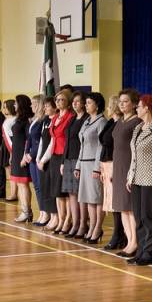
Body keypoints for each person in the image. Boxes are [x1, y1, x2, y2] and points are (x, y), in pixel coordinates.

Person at [125, 94, 152, 265]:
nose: (136, 108)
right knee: (139, 218)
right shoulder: (138, 128)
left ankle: (149, 254)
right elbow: (134, 155)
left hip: (150, 180)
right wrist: (130, 176)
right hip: (137, 178)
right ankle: (140, 251)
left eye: (139, 106)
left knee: (148, 218)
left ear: (147, 108)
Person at [112, 88, 142, 257]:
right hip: (118, 167)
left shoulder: (137, 122)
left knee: (130, 207)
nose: (122, 104)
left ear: (134, 104)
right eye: (120, 101)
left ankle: (135, 242)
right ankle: (129, 241)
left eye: (125, 101)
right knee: (122, 208)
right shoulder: (120, 121)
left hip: (129, 167)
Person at [76, 92, 106, 243]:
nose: (86, 105)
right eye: (86, 103)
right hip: (84, 163)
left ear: (97, 105)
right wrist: (78, 165)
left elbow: (101, 146)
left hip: (94, 164)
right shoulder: (87, 121)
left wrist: (97, 167)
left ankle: (97, 228)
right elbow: (82, 145)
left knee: (96, 198)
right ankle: (92, 227)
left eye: (89, 103)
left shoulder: (101, 122)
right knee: (88, 198)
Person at [48, 88, 76, 233]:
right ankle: (60, 219)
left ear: (68, 102)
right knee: (56, 191)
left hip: (64, 155)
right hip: (54, 155)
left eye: (61, 100)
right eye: (57, 100)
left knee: (65, 192)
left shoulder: (70, 117)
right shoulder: (55, 117)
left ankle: (67, 220)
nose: (58, 102)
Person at [61, 91, 89, 237]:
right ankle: (75, 223)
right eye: (73, 101)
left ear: (84, 103)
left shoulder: (86, 119)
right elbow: (67, 141)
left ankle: (83, 224)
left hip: (80, 159)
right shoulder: (72, 119)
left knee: (80, 193)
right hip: (68, 159)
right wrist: (63, 161)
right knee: (71, 193)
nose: (75, 104)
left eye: (78, 101)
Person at [100, 95, 126, 250]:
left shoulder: (119, 124)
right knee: (111, 202)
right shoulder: (111, 122)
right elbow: (103, 140)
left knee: (116, 202)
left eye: (110, 106)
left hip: (115, 163)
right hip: (106, 163)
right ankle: (119, 235)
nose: (107, 109)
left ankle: (119, 234)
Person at [24, 94, 48, 226]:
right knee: (37, 187)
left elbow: (40, 142)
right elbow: (30, 139)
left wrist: (32, 155)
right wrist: (26, 153)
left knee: (42, 187)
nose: (31, 106)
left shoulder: (43, 120)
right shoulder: (34, 120)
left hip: (38, 157)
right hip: (32, 158)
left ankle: (46, 213)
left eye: (34, 103)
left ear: (39, 105)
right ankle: (42, 212)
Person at [10, 94, 34, 222]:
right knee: (19, 184)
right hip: (15, 155)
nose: (14, 105)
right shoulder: (18, 119)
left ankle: (27, 212)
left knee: (23, 184)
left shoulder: (27, 121)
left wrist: (25, 156)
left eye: (16, 102)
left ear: (21, 104)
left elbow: (28, 140)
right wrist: (12, 155)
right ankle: (24, 211)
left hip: (22, 156)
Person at [36, 97, 59, 230]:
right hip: (42, 161)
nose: (45, 108)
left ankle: (55, 217)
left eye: (48, 106)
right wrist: (38, 158)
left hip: (50, 160)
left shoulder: (55, 120)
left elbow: (52, 143)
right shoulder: (45, 121)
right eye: (44, 106)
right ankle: (48, 215)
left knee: (51, 189)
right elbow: (42, 141)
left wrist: (44, 159)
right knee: (44, 188)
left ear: (55, 107)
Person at [0, 99, 18, 202]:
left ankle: (14, 194)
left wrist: (11, 153)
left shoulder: (14, 120)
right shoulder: (7, 119)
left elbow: (13, 137)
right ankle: (12, 193)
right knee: (8, 172)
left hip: (10, 147)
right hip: (5, 146)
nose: (4, 109)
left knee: (12, 172)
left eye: (6, 107)